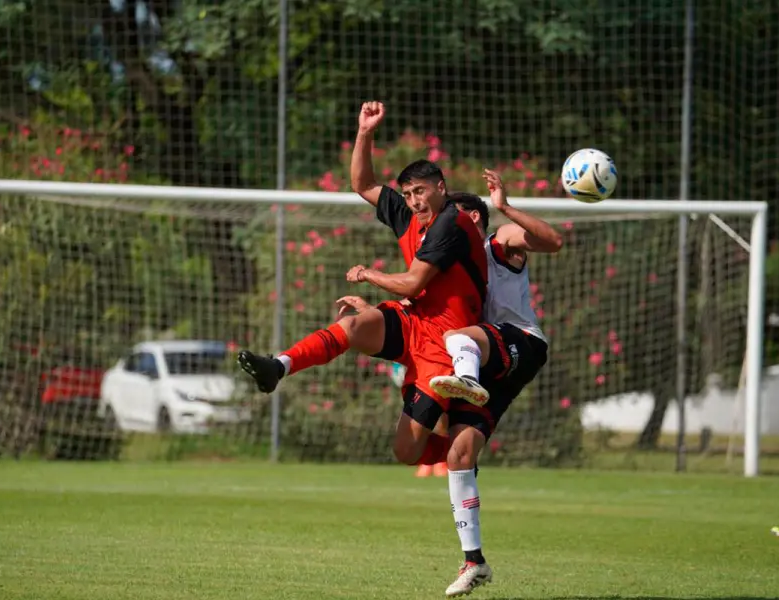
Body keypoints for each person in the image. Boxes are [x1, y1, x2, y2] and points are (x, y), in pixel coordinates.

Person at [336, 173, 563, 597]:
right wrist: (372, 310)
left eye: (452, 216)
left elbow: (553, 241)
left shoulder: (498, 244)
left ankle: (464, 379)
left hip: (520, 346)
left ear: (472, 217)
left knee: (459, 338)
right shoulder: (449, 267)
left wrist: (507, 207)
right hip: (481, 362)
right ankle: (474, 560)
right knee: (459, 455)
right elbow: (411, 308)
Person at [237, 101, 488, 468]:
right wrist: (365, 131)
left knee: (406, 453)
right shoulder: (409, 217)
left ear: (441, 188)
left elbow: (412, 281)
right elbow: (362, 183)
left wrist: (368, 274)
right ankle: (279, 366)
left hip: (447, 345)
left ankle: (460, 455)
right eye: (407, 194)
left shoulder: (452, 222)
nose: (414, 201)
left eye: (420, 191)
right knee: (351, 326)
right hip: (414, 323)